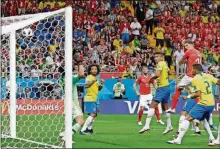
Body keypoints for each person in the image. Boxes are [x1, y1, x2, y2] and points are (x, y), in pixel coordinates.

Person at [167, 64, 220, 145]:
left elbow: (197, 94)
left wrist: (188, 96)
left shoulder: (195, 79)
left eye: (192, 69)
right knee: (203, 120)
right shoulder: (208, 75)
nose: (191, 71)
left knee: (187, 118)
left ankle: (178, 139)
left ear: (195, 70)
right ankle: (212, 138)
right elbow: (218, 82)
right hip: (211, 103)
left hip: (203, 103)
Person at [139, 52, 173, 135]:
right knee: (165, 107)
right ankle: (169, 125)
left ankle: (147, 125)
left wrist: (150, 78)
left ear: (162, 57)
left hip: (162, 88)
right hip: (167, 87)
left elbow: (157, 74)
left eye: (157, 57)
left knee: (152, 105)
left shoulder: (160, 63)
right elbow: (168, 73)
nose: (155, 58)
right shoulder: (165, 63)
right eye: (155, 57)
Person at [167, 40, 202, 113]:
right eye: (185, 46)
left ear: (192, 44)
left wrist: (180, 61)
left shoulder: (189, 51)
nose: (186, 47)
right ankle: (201, 109)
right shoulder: (199, 53)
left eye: (187, 45)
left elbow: (180, 62)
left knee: (178, 88)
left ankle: (173, 108)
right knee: (195, 93)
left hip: (189, 75)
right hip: (198, 77)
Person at [59, 63, 85, 143]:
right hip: (71, 102)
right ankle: (68, 137)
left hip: (67, 101)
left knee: (72, 121)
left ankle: (64, 134)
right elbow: (81, 74)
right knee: (81, 122)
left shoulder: (61, 78)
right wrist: (80, 63)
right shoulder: (70, 79)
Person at [80, 64, 104, 135]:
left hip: (94, 98)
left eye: (95, 69)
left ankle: (89, 129)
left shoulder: (95, 78)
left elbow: (98, 89)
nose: (94, 70)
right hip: (89, 98)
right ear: (90, 70)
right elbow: (86, 86)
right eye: (93, 69)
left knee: (95, 114)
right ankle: (83, 130)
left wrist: (102, 84)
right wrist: (93, 81)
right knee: (93, 114)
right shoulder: (89, 77)